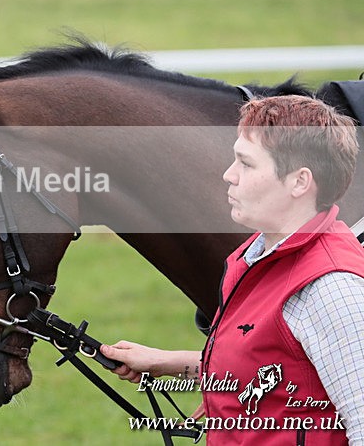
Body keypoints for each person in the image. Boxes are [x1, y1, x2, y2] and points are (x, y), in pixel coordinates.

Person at [101, 95, 364, 444]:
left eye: (246, 163)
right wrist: (165, 362)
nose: (229, 174)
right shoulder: (257, 256)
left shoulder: (331, 290)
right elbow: (276, 368)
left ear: (300, 182)